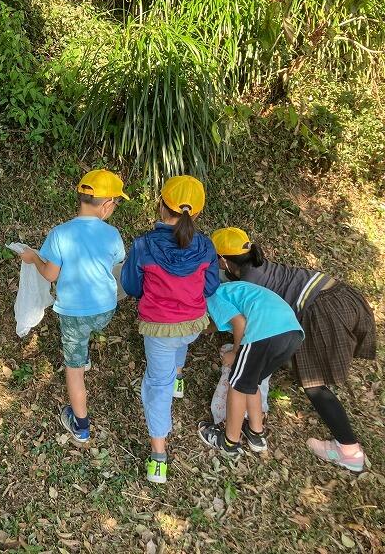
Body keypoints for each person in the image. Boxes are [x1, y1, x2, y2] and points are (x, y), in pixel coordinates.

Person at [210, 227, 376, 471]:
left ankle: (349, 450)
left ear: (223, 261)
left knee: (314, 384)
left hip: (322, 309)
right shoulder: (256, 265)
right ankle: (257, 429)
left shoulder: (248, 281)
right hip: (341, 293)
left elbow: (242, 325)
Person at [121, 175, 219, 483]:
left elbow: (132, 285)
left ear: (161, 205)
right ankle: (178, 379)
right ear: (197, 213)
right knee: (181, 345)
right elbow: (211, 286)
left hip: (160, 328)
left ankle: (159, 458)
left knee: (156, 387)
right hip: (194, 324)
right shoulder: (205, 247)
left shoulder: (144, 245)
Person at [20, 170, 128, 444]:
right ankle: (85, 349)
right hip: (106, 308)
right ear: (106, 205)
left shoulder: (60, 234)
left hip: (74, 313)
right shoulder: (112, 233)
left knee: (74, 368)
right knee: (88, 330)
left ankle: (81, 425)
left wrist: (33, 258)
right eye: (116, 203)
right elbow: (118, 262)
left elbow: (51, 275)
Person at [198, 281, 304, 457]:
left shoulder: (212, 296)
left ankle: (229, 441)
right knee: (251, 382)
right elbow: (218, 323)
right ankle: (256, 433)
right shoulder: (231, 290)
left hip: (264, 332)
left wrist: (235, 352)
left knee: (237, 384)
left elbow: (240, 324)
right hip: (292, 333)